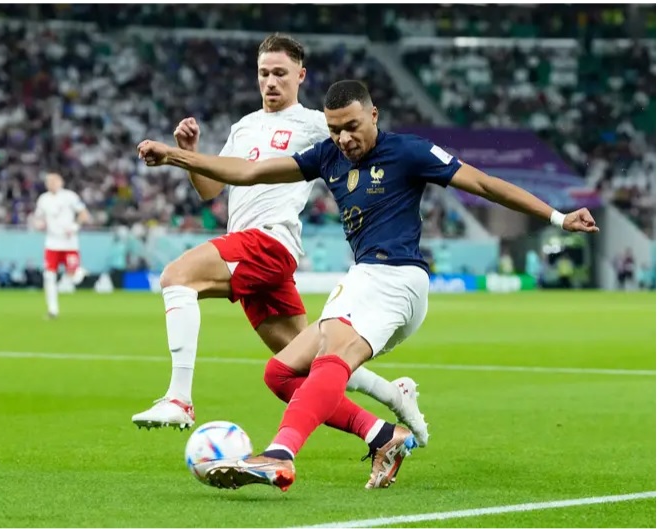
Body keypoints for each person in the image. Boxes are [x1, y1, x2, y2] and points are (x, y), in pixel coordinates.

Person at [139, 80, 599, 490]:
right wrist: (176, 157)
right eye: (335, 129)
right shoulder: (328, 155)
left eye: (352, 127)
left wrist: (558, 218)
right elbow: (249, 172)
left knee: (332, 357)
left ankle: (280, 454)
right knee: (281, 373)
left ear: (373, 115)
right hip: (366, 279)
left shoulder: (409, 151)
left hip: (397, 278)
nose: (344, 138)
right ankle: (383, 435)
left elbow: (483, 184)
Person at [131, 34, 430, 447]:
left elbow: (363, 143)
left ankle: (179, 398)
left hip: (269, 243)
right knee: (309, 366)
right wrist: (191, 154)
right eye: (263, 73)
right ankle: (385, 422)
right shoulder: (243, 127)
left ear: (300, 76)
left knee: (176, 277)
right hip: (247, 247)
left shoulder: (314, 124)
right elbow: (210, 190)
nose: (270, 81)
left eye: (280, 73)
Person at [32, 173, 90, 319]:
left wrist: (75, 226)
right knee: (49, 276)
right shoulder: (43, 199)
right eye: (49, 182)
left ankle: (78, 272)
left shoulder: (70, 196)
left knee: (74, 276)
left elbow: (84, 214)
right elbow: (38, 218)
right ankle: (53, 310)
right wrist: (39, 225)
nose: (52, 184)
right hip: (52, 243)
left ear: (61, 182)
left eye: (54, 181)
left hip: (69, 243)